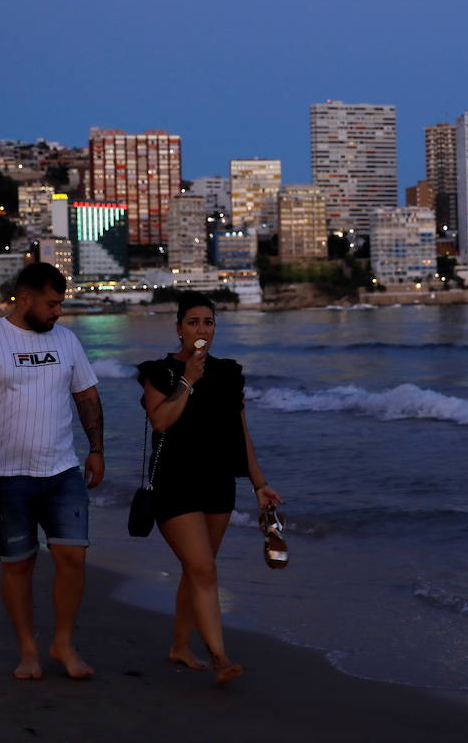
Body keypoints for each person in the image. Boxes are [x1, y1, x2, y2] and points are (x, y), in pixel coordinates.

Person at [0, 262, 106, 681]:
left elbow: (88, 397)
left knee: (72, 557)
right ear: (25, 299)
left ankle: (62, 642)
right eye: (53, 304)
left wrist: (96, 449)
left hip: (62, 471)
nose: (59, 312)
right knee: (17, 564)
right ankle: (27, 649)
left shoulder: (67, 341)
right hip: (4, 476)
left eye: (61, 304)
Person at [136, 291, 283, 687]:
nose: (202, 329)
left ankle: (180, 646)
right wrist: (188, 381)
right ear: (179, 327)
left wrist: (260, 483)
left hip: (218, 482)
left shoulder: (230, 373)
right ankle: (221, 658)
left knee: (196, 570)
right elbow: (161, 422)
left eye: (209, 322)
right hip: (174, 482)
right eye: (194, 322)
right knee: (203, 568)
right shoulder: (157, 371)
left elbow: (241, 432)